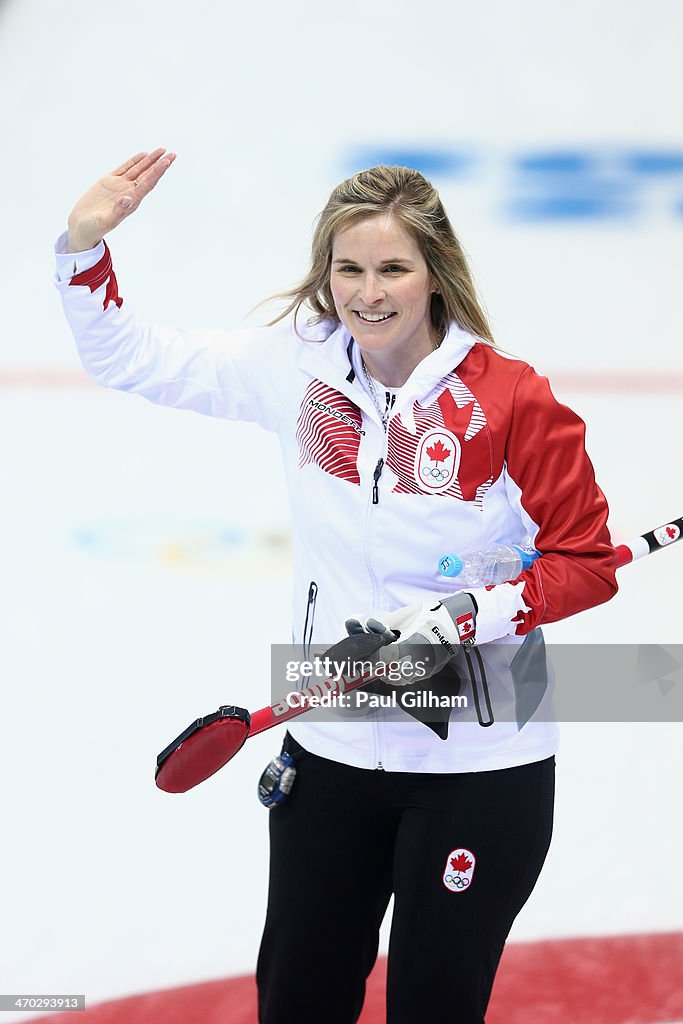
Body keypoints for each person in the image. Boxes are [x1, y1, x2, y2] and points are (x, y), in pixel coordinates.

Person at [55, 149, 618, 1023]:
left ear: (435, 273)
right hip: (332, 742)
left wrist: (477, 612)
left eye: (392, 267)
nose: (368, 292)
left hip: (479, 761)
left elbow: (586, 563)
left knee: (433, 1003)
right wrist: (83, 250)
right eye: (347, 269)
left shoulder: (511, 400)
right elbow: (133, 359)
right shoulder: (298, 366)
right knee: (298, 1000)